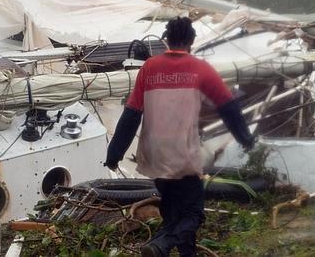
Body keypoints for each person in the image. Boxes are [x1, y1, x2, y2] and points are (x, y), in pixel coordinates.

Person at [104, 16, 254, 257]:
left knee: (174, 212)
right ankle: (160, 246)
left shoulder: (149, 68)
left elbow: (131, 115)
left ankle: (185, 253)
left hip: (155, 155)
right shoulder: (200, 68)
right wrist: (246, 139)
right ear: (192, 41)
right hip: (183, 156)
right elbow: (229, 108)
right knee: (194, 214)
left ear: (167, 40)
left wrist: (114, 154)